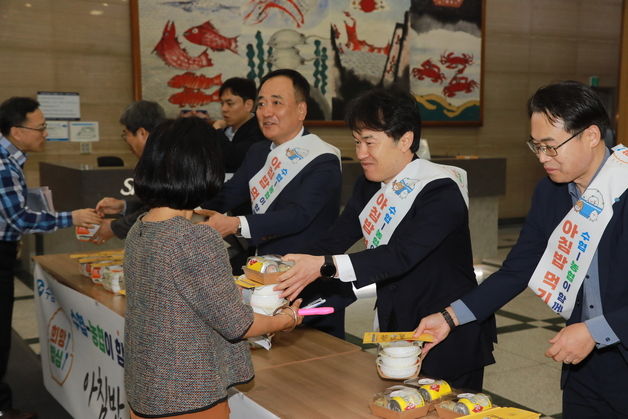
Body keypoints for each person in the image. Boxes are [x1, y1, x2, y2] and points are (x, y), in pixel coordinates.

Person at [414, 80, 628, 415]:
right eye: (536, 146)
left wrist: (597, 330)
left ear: (590, 135)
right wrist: (450, 317)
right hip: (583, 366)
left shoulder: (624, 186)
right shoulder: (552, 192)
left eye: (551, 146)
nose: (542, 158)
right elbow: (518, 269)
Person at [274, 88, 496, 390]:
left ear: (405, 140)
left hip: (446, 331)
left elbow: (400, 256)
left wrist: (324, 266)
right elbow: (334, 240)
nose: (361, 153)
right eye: (356, 141)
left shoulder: (440, 192)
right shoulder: (370, 184)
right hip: (397, 325)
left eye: (369, 142)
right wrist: (285, 270)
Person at [124, 117, 303, 419]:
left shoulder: (140, 228)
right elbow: (239, 325)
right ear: (203, 169)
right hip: (188, 395)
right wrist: (286, 319)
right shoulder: (194, 238)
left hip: (146, 389)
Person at [199, 69, 354, 338]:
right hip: (264, 275)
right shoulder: (259, 151)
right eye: (261, 103)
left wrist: (235, 223)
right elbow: (230, 193)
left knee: (315, 368)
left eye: (277, 102)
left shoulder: (322, 158)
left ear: (301, 110)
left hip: (307, 283)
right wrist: (188, 206)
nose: (266, 111)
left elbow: (298, 216)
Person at [0, 97, 101, 419]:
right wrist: (71, 218)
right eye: (40, 127)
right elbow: (19, 219)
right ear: (17, 131)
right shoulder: (3, 163)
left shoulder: (11, 158)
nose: (45, 132)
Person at [92, 100, 166, 244]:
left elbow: (159, 211)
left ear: (142, 133)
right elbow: (153, 204)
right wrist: (123, 206)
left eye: (126, 134)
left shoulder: (164, 163)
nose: (126, 140)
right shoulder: (160, 157)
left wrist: (113, 227)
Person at [211, 77, 266, 175]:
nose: (224, 109)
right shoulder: (227, 129)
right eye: (222, 103)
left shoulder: (259, 131)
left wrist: (217, 130)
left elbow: (233, 159)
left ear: (248, 105)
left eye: (230, 103)